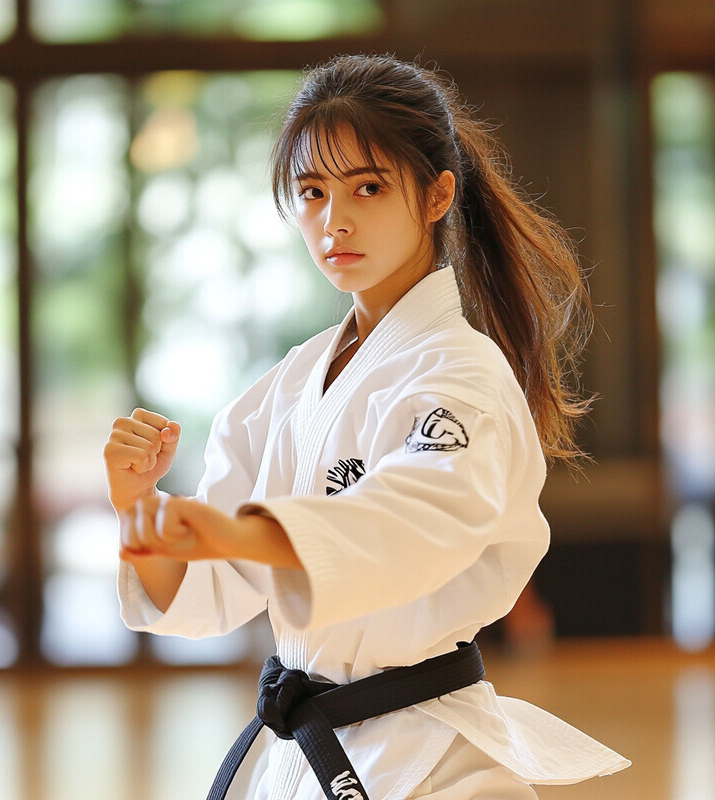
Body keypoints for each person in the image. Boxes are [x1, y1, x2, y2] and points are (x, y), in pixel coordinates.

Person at [104, 53, 630, 800]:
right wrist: (138, 506)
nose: (333, 220)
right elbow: (209, 589)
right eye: (311, 191)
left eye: (369, 187)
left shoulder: (461, 375)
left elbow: (411, 522)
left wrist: (235, 533)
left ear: (437, 194)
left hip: (434, 759)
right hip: (296, 757)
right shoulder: (287, 386)